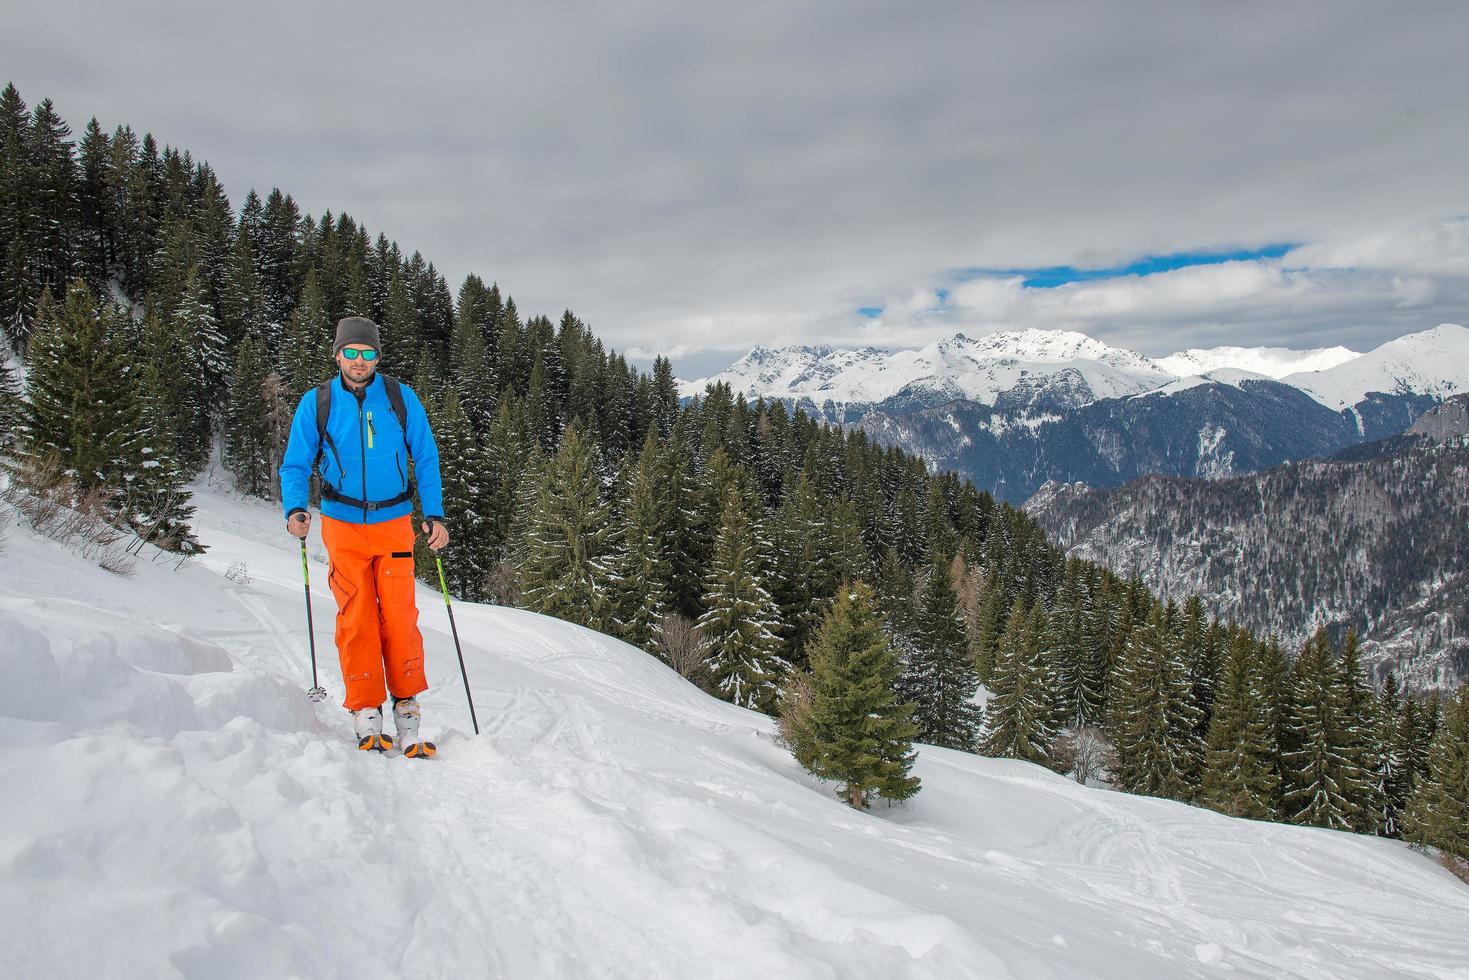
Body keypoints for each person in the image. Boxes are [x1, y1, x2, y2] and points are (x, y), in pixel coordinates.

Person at [279, 315, 449, 756]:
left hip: (393, 522)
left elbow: (425, 456)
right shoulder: (317, 402)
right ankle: (365, 707)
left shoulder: (399, 397)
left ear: (378, 356)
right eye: (351, 353)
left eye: (367, 353)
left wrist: (434, 514)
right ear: (337, 355)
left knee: (399, 615)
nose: (359, 361)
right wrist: (296, 507)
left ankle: (407, 704)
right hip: (342, 523)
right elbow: (296, 463)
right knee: (355, 617)